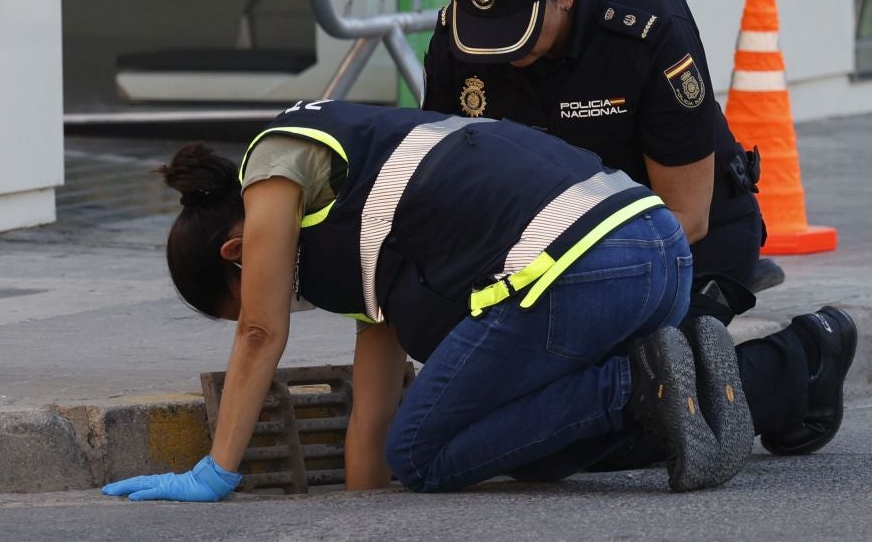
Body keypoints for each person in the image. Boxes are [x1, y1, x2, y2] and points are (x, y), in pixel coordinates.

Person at [100, 100, 758, 502]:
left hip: (584, 268)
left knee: (422, 455)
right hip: (660, 254)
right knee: (530, 453)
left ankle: (631, 384)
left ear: (236, 254)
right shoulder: (363, 224)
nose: (283, 298)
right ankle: (676, 374)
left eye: (240, 293)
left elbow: (258, 332)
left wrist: (216, 470)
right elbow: (374, 406)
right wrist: (367, 511)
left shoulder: (275, 163)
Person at [422, 0, 857, 460]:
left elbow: (687, 217)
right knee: (525, 430)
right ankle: (739, 384)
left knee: (592, 421)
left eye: (521, 31)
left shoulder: (648, 29)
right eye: (487, 29)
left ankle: (802, 359)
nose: (502, 53)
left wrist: (571, 296)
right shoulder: (461, 37)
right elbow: (447, 186)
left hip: (677, 245)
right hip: (544, 258)